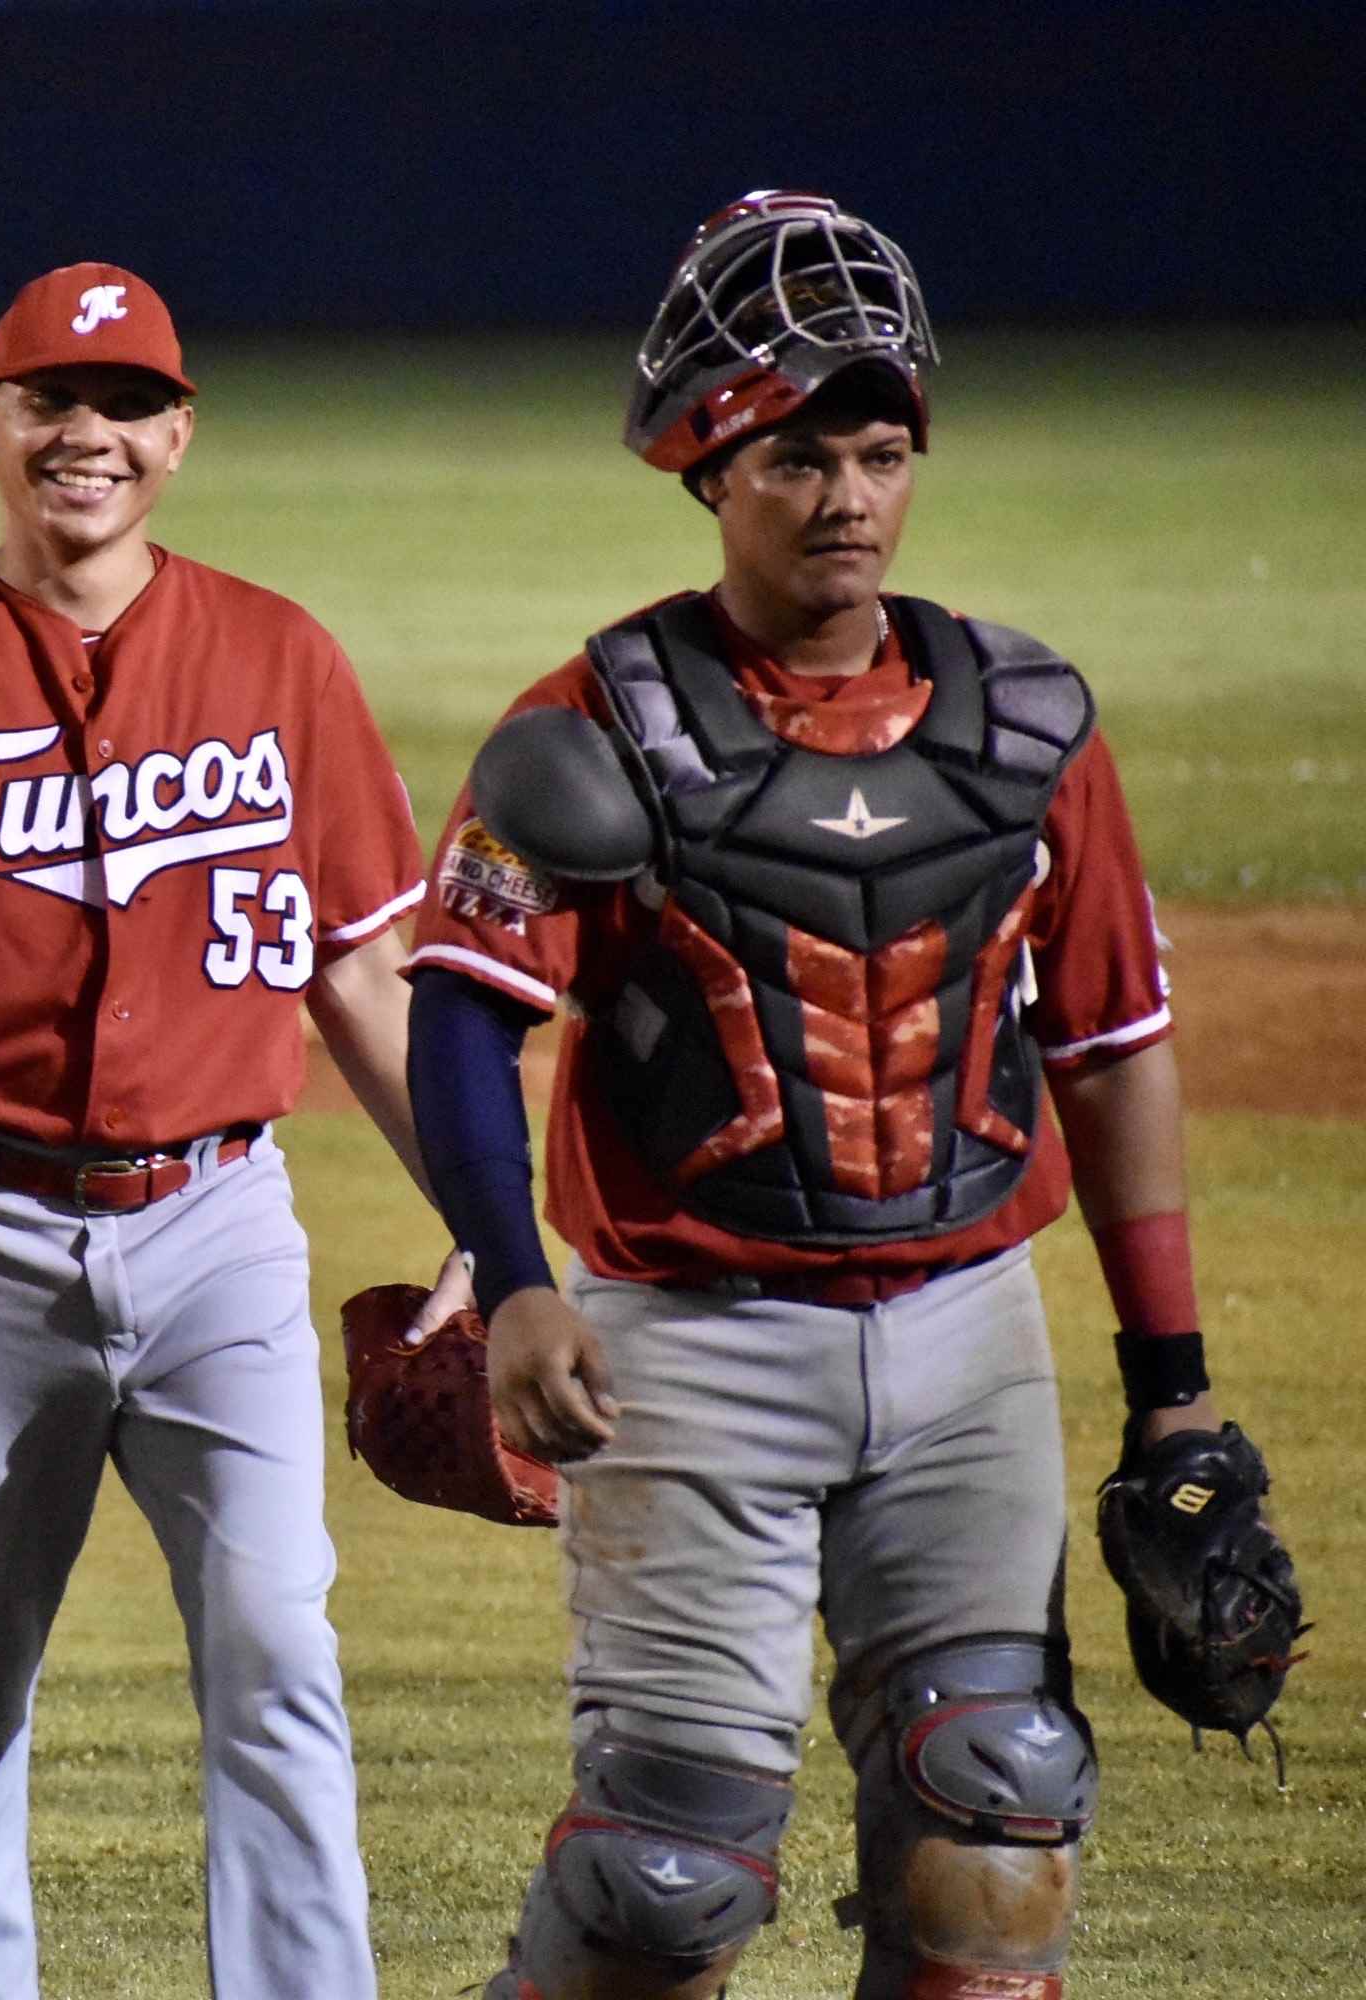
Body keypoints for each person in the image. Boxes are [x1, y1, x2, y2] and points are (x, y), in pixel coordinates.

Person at [409, 191, 1231, 2000]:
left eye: (877, 452)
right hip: (684, 1343)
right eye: (797, 457)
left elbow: (1109, 1049)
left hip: (966, 1339)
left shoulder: (1024, 727)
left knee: (994, 1816)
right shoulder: (587, 730)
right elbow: (462, 1019)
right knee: (663, 1877)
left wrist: (1169, 1390)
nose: (846, 496)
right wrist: (513, 1273)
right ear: (711, 470)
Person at [0, 261, 447, 2000]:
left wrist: (489, 1222)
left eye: (130, 403)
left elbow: (361, 973)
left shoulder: (275, 654)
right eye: (53, 400)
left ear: (180, 432)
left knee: (274, 1658)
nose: (91, 435)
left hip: (223, 1222)